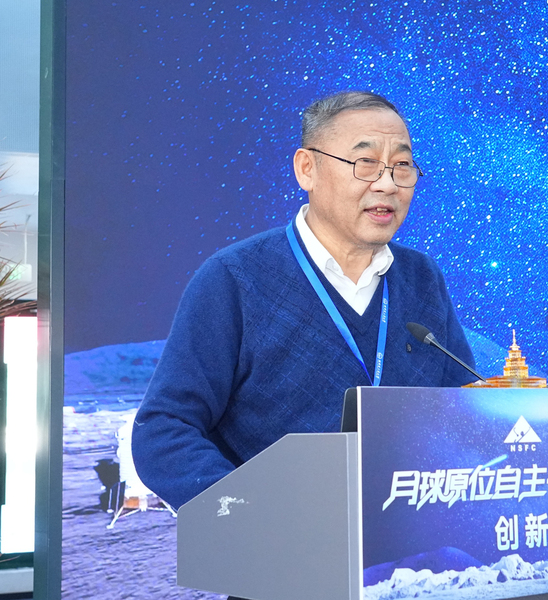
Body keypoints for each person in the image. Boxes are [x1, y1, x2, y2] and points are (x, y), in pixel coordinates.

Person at [132, 91, 477, 510]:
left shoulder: (421, 278)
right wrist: (249, 511)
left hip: (406, 537)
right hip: (278, 540)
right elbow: (164, 429)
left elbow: (462, 411)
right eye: (365, 162)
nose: (387, 184)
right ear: (307, 169)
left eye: (401, 165)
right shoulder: (235, 278)